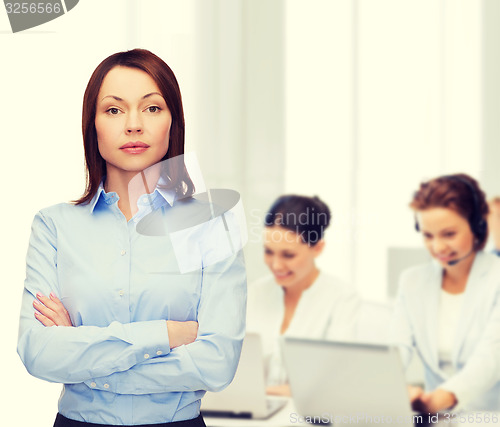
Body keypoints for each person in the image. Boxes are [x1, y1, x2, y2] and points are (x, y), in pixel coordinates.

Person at [17, 49, 246, 427]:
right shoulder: (53, 226)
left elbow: (217, 363)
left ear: (174, 122)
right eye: (114, 110)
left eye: (152, 108)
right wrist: (167, 334)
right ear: (92, 125)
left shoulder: (211, 225)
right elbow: (38, 352)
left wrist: (85, 357)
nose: (134, 125)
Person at [392, 173, 500, 413]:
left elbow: (490, 358)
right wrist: (391, 387)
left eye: (449, 234)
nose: (438, 247)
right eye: (428, 236)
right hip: (435, 418)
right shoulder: (412, 281)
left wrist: (442, 398)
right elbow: (398, 347)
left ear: (477, 227)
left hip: (489, 416)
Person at [246, 195, 360, 396]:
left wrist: (273, 393)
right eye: (268, 252)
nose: (276, 265)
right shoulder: (255, 292)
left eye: (288, 255)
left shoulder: (342, 298)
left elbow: (337, 380)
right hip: (251, 412)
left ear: (318, 248)